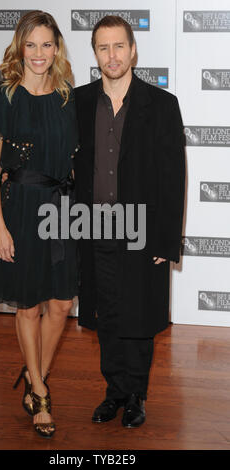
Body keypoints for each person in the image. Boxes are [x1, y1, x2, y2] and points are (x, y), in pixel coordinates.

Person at [73, 15, 185, 428]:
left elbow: (173, 177)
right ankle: (114, 391)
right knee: (107, 315)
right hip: (94, 226)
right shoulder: (81, 102)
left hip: (142, 227)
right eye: (103, 48)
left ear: (133, 50)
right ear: (96, 54)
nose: (112, 55)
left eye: (119, 46)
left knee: (138, 317)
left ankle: (136, 394)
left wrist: (165, 241)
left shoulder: (162, 104)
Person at [0, 10, 79, 438]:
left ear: (56, 48)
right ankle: (39, 390)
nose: (39, 53)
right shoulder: (3, 95)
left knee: (60, 303)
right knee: (28, 305)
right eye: (31, 44)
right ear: (20, 47)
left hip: (61, 209)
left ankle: (33, 367)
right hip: (20, 209)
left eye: (46, 44)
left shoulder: (67, 96)